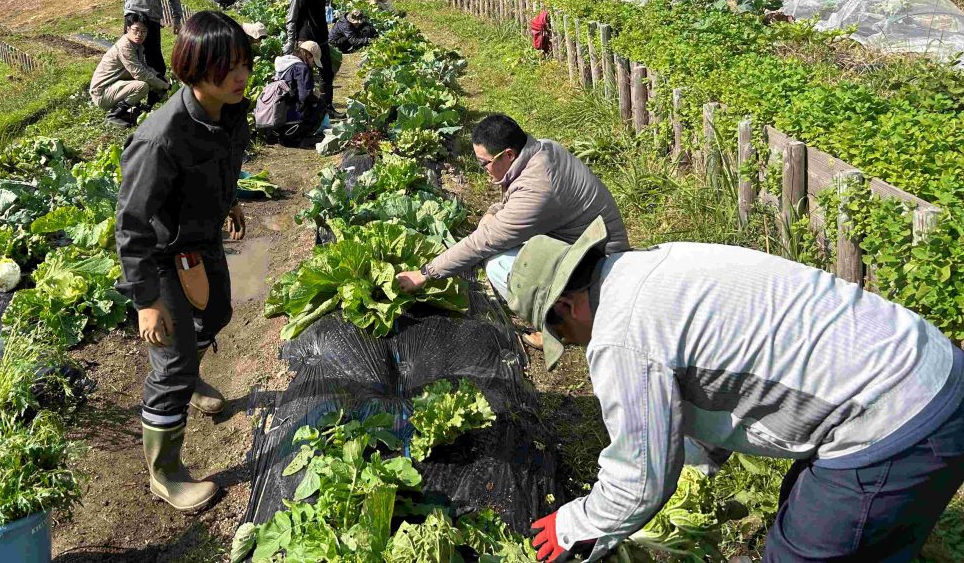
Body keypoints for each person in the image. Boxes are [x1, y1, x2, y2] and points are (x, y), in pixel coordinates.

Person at [509, 219, 964, 563]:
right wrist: (696, 460)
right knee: (834, 522)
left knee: (799, 553)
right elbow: (726, 371)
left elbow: (639, 478)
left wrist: (574, 525)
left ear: (566, 306)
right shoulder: (655, 263)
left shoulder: (620, 334)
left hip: (894, 417)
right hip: (933, 365)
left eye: (561, 334)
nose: (572, 345)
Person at [115, 11, 252, 514]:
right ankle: (166, 474)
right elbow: (131, 224)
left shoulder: (230, 111)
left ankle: (189, 375)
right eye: (227, 68)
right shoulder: (160, 138)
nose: (240, 76)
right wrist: (147, 301)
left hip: (201, 238)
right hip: (161, 256)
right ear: (194, 68)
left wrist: (230, 201)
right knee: (171, 364)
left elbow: (224, 164)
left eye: (244, 63)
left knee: (216, 314)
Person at [396, 114, 628, 310]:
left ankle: (558, 322)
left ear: (508, 154)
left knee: (497, 263)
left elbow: (483, 242)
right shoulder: (541, 150)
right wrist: (492, 211)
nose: (484, 169)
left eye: (484, 163)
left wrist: (425, 273)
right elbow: (513, 200)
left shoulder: (539, 187)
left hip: (601, 273)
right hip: (587, 248)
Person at [88, 12, 170, 127]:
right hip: (102, 93)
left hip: (114, 86)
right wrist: (163, 85)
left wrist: (159, 76)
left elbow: (143, 66)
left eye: (143, 31)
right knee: (142, 86)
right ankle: (114, 115)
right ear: (128, 29)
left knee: (150, 80)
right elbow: (139, 73)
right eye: (136, 30)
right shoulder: (125, 46)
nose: (139, 34)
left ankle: (130, 109)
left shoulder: (137, 46)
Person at [285, 0, 337, 116]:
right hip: (306, 39)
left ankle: (327, 108)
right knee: (305, 76)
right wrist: (290, 40)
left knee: (327, 73)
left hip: (322, 36)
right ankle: (305, 113)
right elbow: (291, 17)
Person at [257, 40, 327, 146]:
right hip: (290, 117)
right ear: (308, 56)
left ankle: (282, 134)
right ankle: (297, 137)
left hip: (275, 116)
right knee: (321, 105)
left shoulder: (283, 64)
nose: (313, 65)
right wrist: (315, 97)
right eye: (313, 61)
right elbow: (304, 97)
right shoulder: (301, 68)